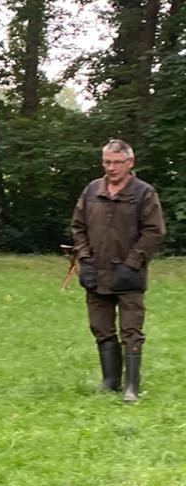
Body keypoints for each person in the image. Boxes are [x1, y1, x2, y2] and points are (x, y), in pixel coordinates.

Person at [71, 139, 165, 402]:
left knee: (131, 331)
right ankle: (110, 381)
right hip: (95, 272)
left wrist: (133, 262)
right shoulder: (92, 190)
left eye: (116, 162)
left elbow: (154, 232)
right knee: (100, 328)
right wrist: (85, 257)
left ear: (130, 163)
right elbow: (78, 227)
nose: (111, 168)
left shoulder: (144, 193)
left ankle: (131, 386)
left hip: (129, 274)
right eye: (106, 162)